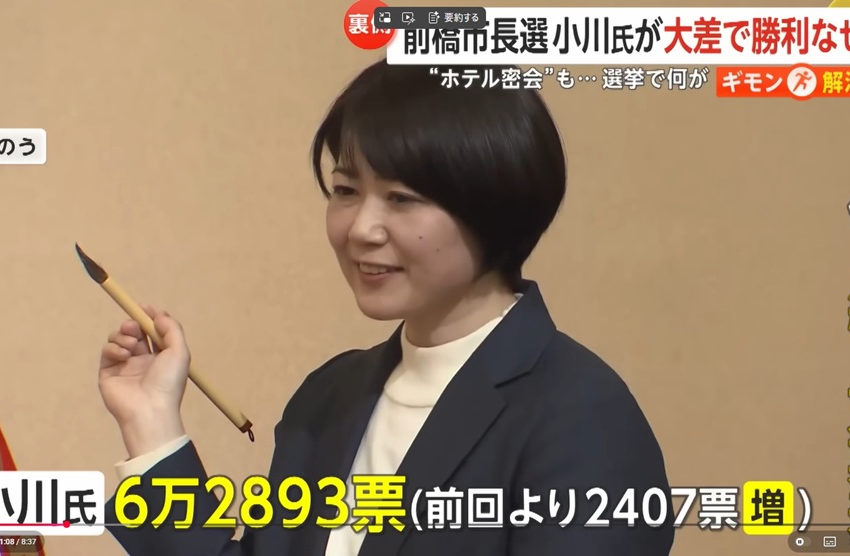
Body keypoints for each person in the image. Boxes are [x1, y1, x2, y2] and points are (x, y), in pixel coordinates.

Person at [97, 59, 674, 556]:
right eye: (346, 191)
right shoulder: (328, 397)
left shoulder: (581, 417)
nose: (361, 229)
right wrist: (152, 425)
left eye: (401, 198)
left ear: (494, 207)